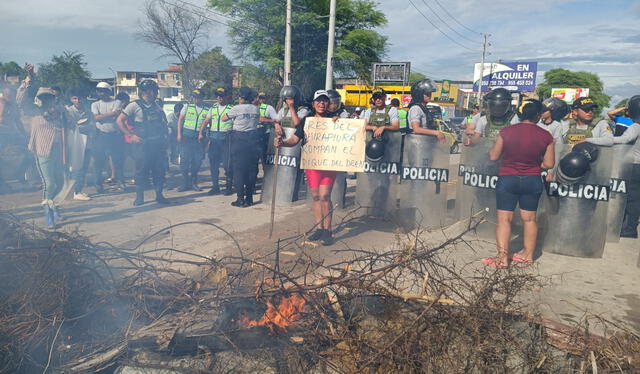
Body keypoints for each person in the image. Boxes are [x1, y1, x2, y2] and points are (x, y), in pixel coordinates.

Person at [484, 99, 555, 267]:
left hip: (508, 179)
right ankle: (528, 255)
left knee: (504, 219)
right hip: (532, 179)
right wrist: (535, 165)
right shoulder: (546, 136)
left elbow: (493, 156)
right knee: (529, 219)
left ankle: (502, 258)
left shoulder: (506, 132)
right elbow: (549, 164)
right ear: (538, 116)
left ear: (519, 114)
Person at [275, 90, 337, 245]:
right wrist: (282, 143)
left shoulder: (334, 119)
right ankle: (319, 228)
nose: (321, 104)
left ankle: (328, 230)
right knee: (316, 197)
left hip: (329, 164)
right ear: (313, 103)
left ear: (328, 103)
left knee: (325, 196)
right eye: (318, 101)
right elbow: (295, 139)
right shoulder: (306, 121)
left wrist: (338, 122)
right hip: (312, 165)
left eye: (324, 101)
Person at [117, 79, 169, 206]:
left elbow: (162, 124)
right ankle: (139, 197)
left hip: (157, 145)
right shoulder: (134, 106)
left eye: (152, 91)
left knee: (159, 171)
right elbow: (119, 120)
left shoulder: (157, 106)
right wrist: (131, 136)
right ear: (142, 92)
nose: (149, 93)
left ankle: (159, 195)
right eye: (146, 91)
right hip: (142, 145)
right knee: (141, 172)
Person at [27, 87, 68, 228]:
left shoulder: (58, 111)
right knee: (49, 184)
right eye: (43, 97)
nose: (46, 100)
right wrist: (28, 80)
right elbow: (20, 100)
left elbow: (70, 123)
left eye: (48, 97)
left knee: (61, 183)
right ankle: (49, 216)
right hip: (42, 151)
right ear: (39, 99)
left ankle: (53, 206)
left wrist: (60, 110)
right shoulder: (34, 111)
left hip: (57, 151)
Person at [220, 87, 260, 207]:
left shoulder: (236, 108)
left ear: (241, 97)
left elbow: (223, 118)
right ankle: (249, 198)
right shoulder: (255, 109)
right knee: (250, 170)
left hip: (239, 140)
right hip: (252, 141)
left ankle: (240, 199)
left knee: (239, 170)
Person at [612, 95, 640, 238]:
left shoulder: (636, 126)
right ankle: (630, 226)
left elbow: (625, 139)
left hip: (634, 165)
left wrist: (604, 140)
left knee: (628, 198)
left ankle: (629, 228)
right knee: (636, 198)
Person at [92, 81, 125, 193]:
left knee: (118, 160)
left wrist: (102, 117)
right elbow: (96, 118)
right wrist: (112, 114)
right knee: (99, 161)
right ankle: (98, 185)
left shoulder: (117, 102)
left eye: (103, 91)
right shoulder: (95, 104)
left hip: (114, 135)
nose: (101, 93)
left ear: (108, 92)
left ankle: (121, 182)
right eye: (99, 91)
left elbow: (117, 115)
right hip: (100, 135)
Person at [200, 88, 233, 196]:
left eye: (221, 96)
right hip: (214, 140)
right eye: (217, 96)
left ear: (226, 97)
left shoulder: (231, 109)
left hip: (226, 140)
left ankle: (228, 187)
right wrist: (201, 132)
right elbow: (206, 122)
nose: (218, 98)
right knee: (213, 165)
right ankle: (215, 187)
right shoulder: (213, 109)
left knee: (227, 165)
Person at [65, 88, 95, 200]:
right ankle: (74, 191)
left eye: (80, 98)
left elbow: (92, 127)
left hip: (87, 144)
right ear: (71, 99)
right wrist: (82, 127)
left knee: (83, 168)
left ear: (84, 99)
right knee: (74, 167)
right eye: (75, 98)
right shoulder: (68, 111)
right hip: (74, 144)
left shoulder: (88, 112)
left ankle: (79, 190)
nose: (78, 101)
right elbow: (69, 126)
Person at [176, 89, 208, 192]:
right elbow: (180, 120)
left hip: (198, 139)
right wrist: (179, 134)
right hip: (186, 137)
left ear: (202, 98)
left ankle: (194, 182)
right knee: (184, 161)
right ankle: (185, 183)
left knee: (197, 161)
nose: (195, 99)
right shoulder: (187, 107)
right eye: (194, 97)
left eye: (197, 97)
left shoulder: (207, 110)